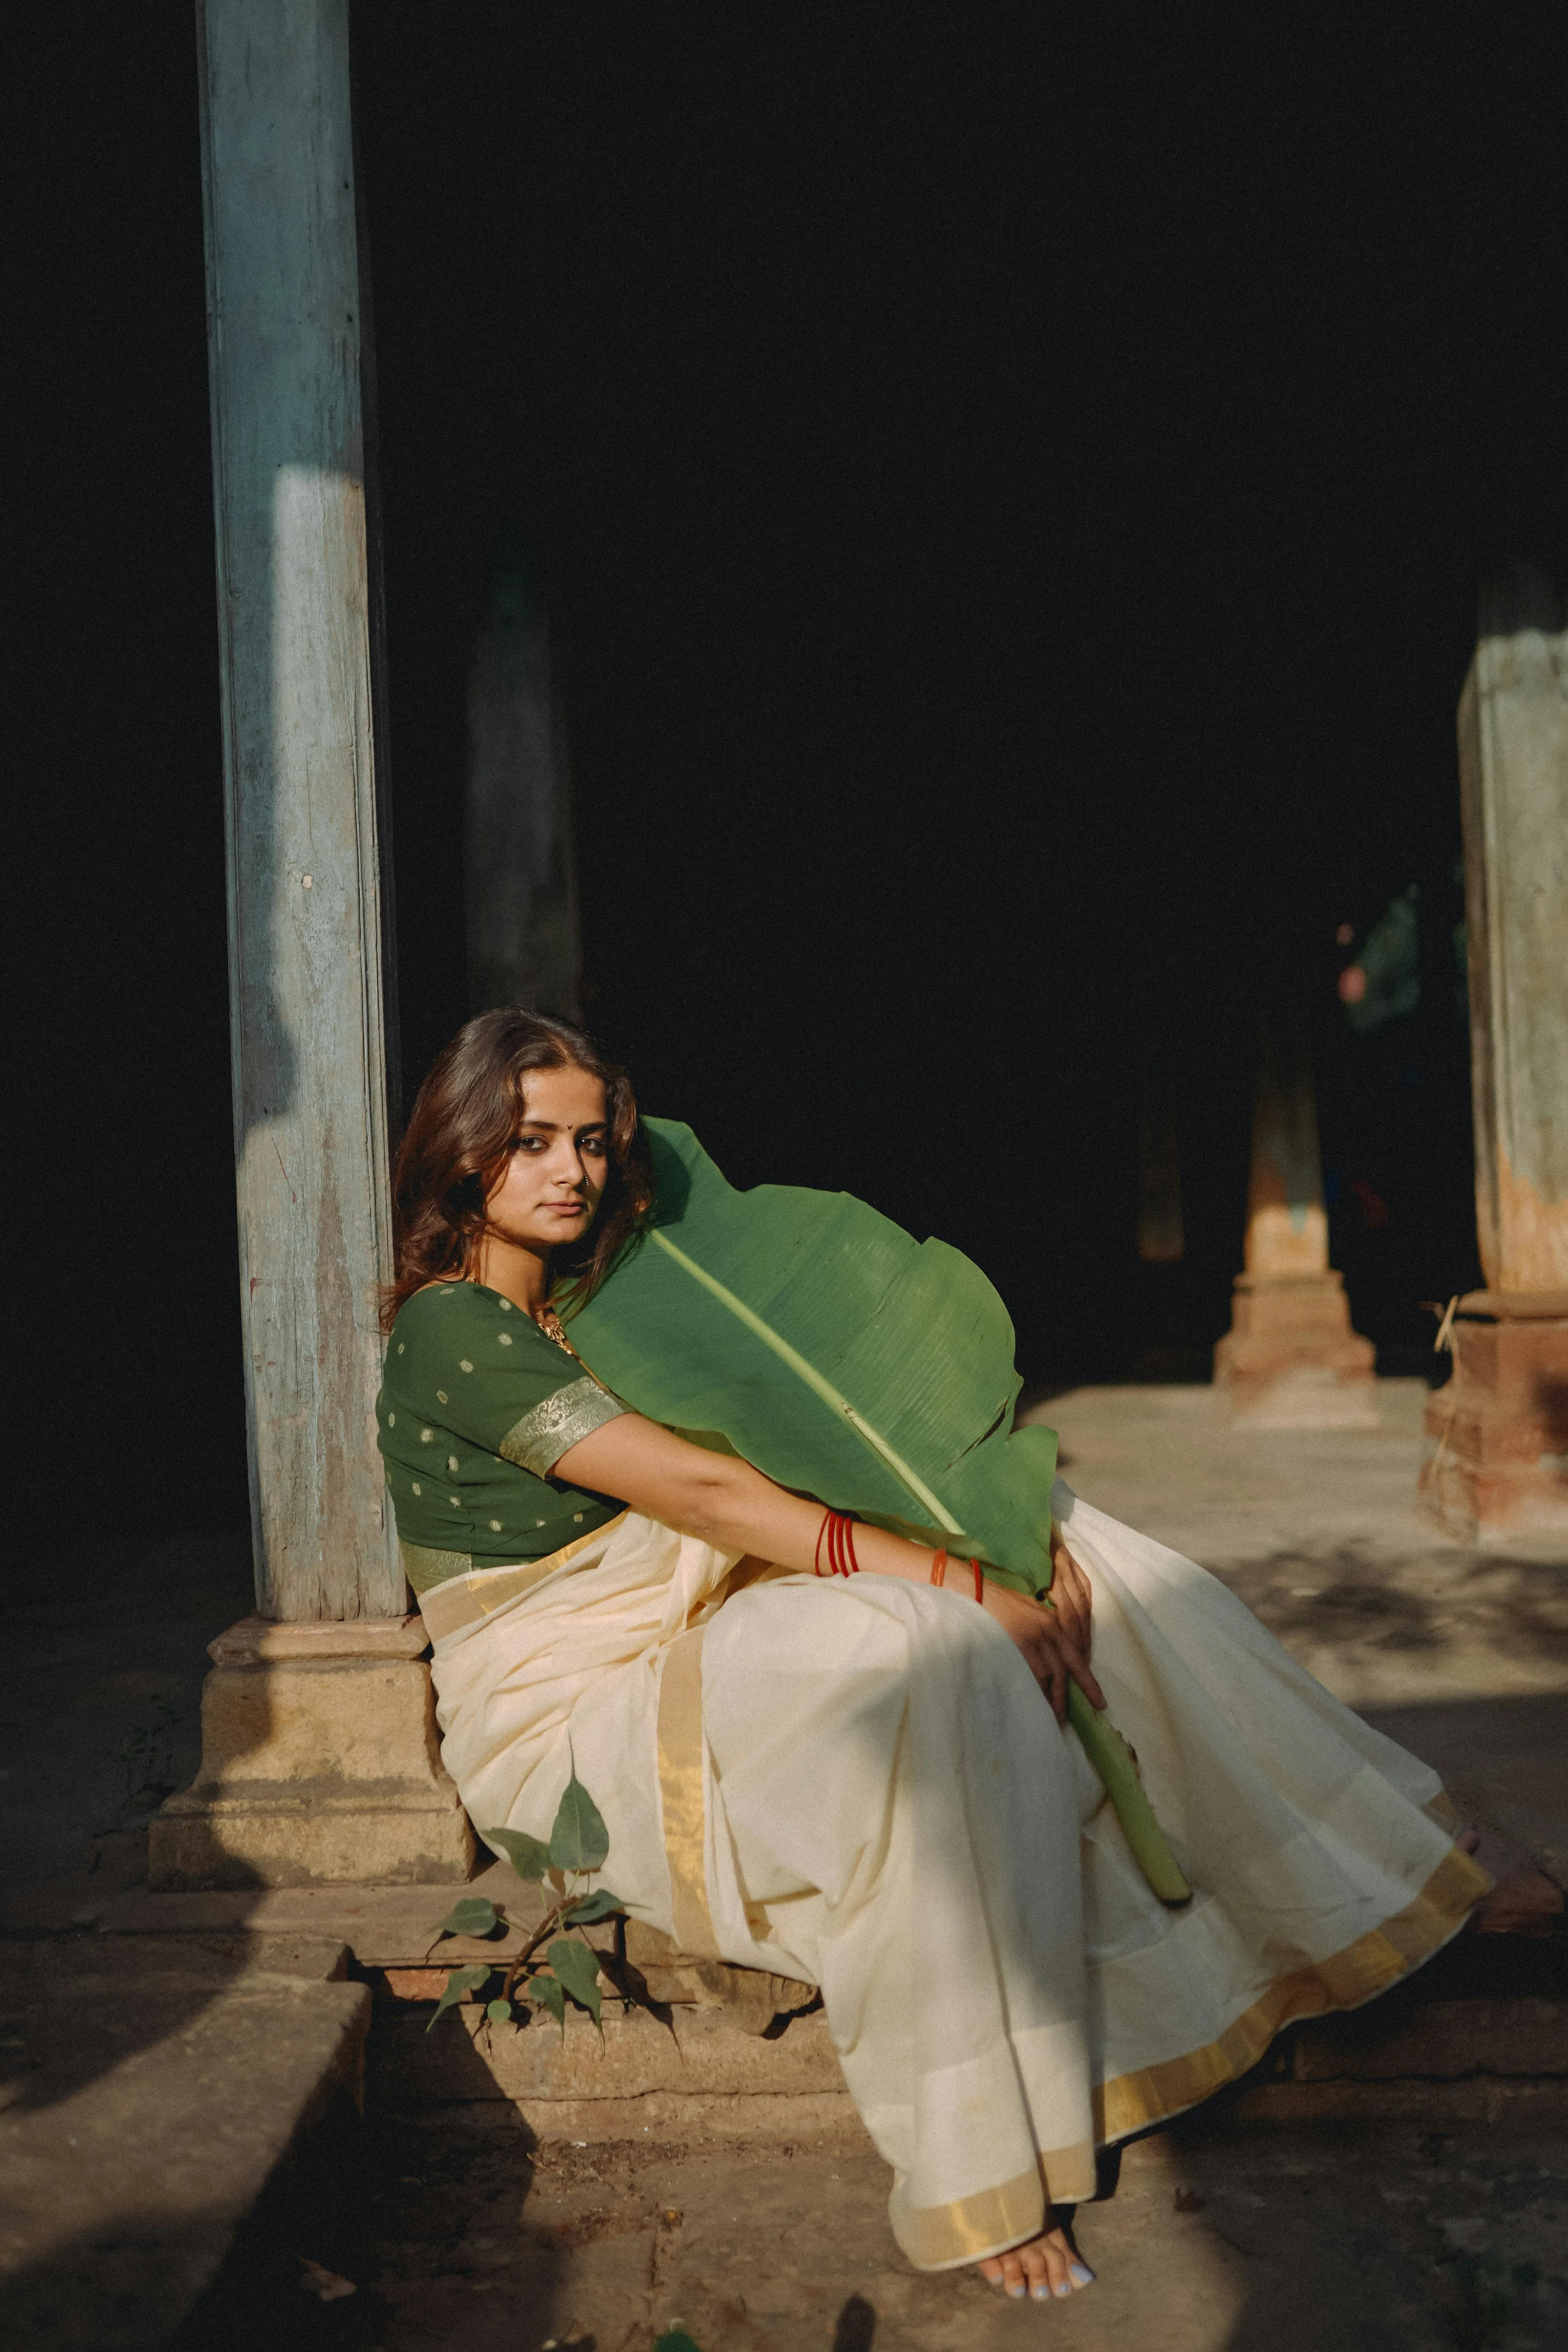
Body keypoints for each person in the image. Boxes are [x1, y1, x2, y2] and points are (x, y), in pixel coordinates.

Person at [377, 1010, 1490, 2305]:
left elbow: (785, 1446)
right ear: (461, 1152)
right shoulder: (450, 1331)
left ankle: (1375, 1861)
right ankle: (973, 2161)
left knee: (1078, 1555)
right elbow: (708, 1492)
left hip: (702, 1642)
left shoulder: (597, 1300)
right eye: (525, 1144)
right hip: (579, 1714)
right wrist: (960, 1574)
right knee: (930, 1653)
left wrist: (1002, 1541)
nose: (566, 1171)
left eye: (583, 1141)